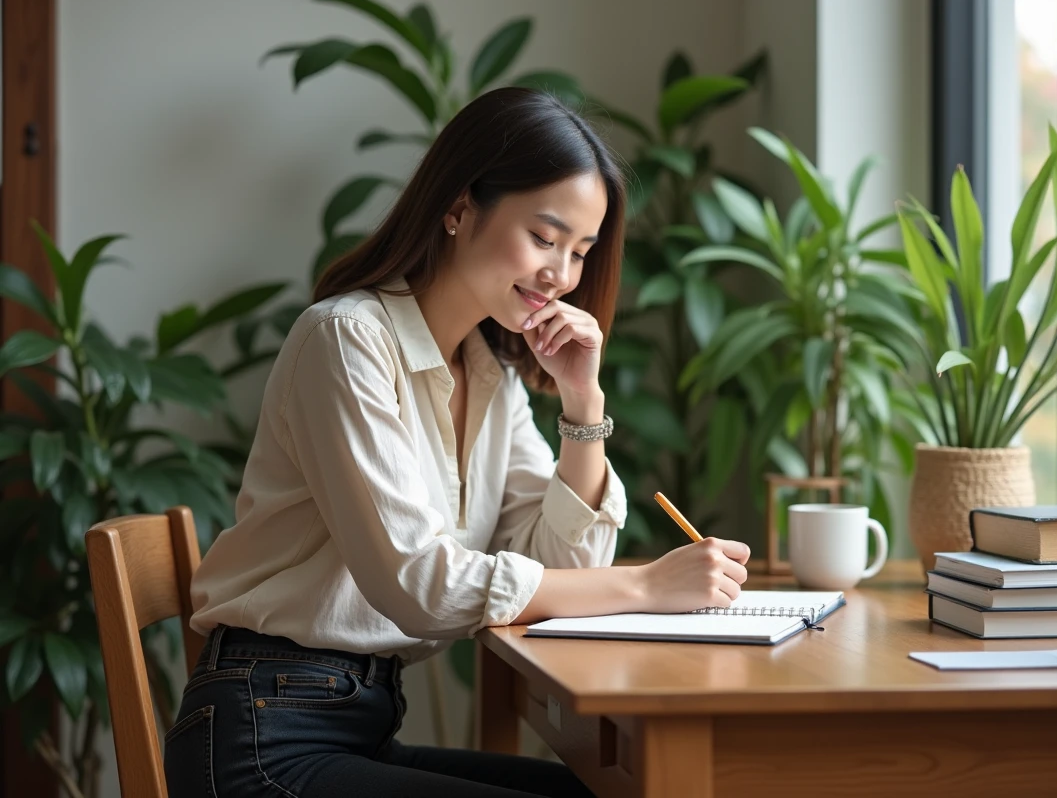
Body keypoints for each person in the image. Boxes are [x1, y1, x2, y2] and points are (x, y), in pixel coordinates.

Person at [164, 87, 751, 798]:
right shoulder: (347, 339)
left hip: (357, 724)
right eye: (544, 238)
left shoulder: (489, 372)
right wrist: (644, 584)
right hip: (262, 736)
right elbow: (420, 584)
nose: (561, 276)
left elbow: (556, 563)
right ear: (457, 207)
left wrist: (582, 401)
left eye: (580, 252)